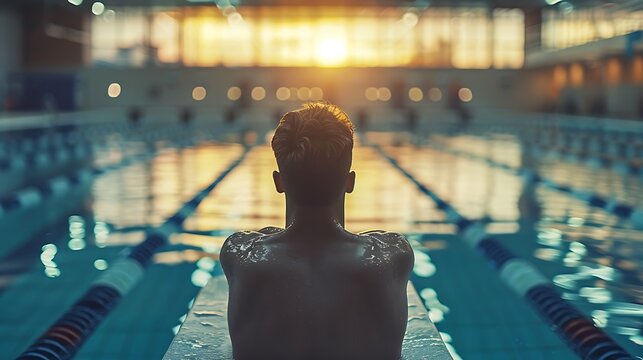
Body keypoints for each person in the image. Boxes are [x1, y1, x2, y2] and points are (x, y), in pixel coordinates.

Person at [220, 102, 414, 360]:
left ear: (278, 182)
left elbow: (271, 238)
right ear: (350, 181)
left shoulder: (240, 253)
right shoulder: (391, 255)